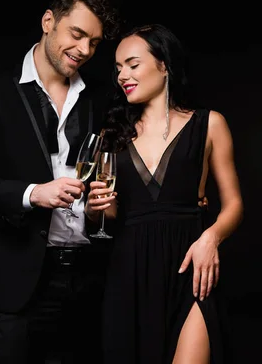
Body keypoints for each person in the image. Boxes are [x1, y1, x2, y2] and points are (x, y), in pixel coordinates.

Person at [0, 0, 121, 364]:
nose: (84, 50)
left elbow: (104, 179)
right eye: (77, 34)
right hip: (17, 283)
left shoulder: (99, 99)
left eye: (94, 42)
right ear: (48, 21)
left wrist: (97, 210)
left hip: (88, 280)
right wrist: (32, 193)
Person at [85, 24, 244, 363]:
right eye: (117, 69)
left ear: (164, 65)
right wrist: (96, 208)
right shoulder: (110, 135)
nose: (122, 76)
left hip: (192, 269)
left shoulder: (210, 124)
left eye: (132, 64)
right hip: (129, 273)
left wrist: (210, 239)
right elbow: (108, 216)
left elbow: (234, 204)